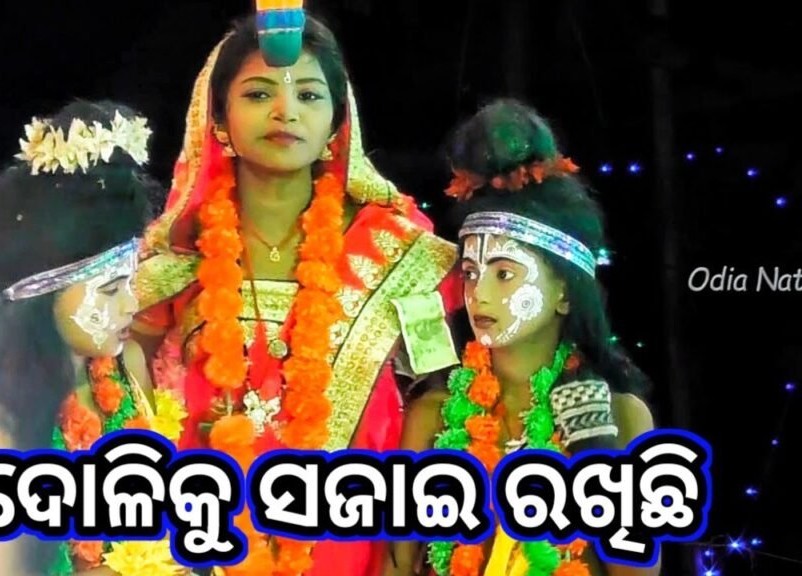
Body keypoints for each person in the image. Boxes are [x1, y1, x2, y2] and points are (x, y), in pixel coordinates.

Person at [132, 13, 462, 576]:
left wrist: (404, 546)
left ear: (337, 122)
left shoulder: (398, 251)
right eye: (258, 94)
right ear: (218, 119)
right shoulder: (175, 260)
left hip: (358, 544)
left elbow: (435, 392)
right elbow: (125, 400)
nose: (285, 111)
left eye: (308, 95)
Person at [389, 99, 660, 576]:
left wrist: (594, 453)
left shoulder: (621, 415)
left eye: (504, 273)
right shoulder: (433, 412)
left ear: (564, 293)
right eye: (470, 273)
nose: (479, 294)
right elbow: (396, 565)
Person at [0, 99, 190, 576]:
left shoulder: (128, 369)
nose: (130, 306)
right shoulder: (3, 428)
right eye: (111, 289)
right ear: (44, 298)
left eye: (130, 284)